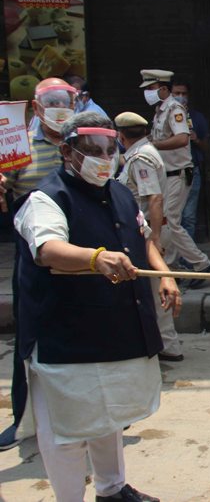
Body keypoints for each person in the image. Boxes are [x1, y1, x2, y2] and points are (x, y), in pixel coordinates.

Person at [14, 111, 180, 501]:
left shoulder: (120, 192)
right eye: (92, 150)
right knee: (66, 432)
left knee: (109, 421)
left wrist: (165, 275)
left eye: (110, 149)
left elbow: (145, 241)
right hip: (65, 337)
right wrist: (96, 258)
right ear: (67, 150)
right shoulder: (46, 198)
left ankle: (112, 489)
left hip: (114, 328)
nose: (104, 158)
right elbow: (48, 250)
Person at [0, 77, 78, 452]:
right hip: (34, 253)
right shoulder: (20, 147)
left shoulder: (82, 142)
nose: (61, 106)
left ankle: (97, 413)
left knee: (87, 327)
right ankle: (22, 420)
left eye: (67, 99)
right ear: (35, 107)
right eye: (53, 100)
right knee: (29, 333)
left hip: (80, 249)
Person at [115, 111, 184, 362]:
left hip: (149, 231)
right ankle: (162, 342)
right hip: (149, 229)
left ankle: (168, 344)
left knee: (157, 287)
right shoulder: (142, 152)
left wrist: (154, 239)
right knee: (153, 287)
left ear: (121, 136)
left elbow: (154, 198)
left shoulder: (140, 157)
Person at [140, 69, 210, 288]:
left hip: (178, 174)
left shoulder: (174, 109)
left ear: (163, 88)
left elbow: (182, 139)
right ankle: (171, 268)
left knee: (170, 221)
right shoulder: (160, 111)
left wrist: (153, 145)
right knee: (165, 221)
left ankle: (201, 264)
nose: (147, 93)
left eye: (151, 89)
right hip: (166, 174)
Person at [171, 79, 210, 242]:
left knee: (188, 217)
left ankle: (189, 259)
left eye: (184, 93)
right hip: (170, 172)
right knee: (173, 216)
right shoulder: (165, 116)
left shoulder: (197, 118)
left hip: (191, 171)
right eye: (177, 93)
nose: (181, 97)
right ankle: (175, 256)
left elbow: (207, 147)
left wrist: (197, 140)